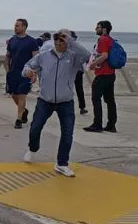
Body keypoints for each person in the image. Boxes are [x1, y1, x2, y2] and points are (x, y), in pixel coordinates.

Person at [22, 30, 92, 177]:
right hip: (45, 100)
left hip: (65, 102)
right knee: (35, 127)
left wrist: (71, 41)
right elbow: (27, 66)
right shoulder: (44, 56)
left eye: (62, 40)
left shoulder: (74, 57)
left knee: (67, 133)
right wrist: (28, 71)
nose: (59, 42)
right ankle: (32, 148)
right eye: (57, 40)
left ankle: (62, 163)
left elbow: (87, 56)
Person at [6, 19, 41, 129]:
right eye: (15, 25)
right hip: (13, 72)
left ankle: (18, 119)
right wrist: (8, 70)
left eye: (18, 26)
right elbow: (8, 55)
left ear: (24, 27)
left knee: (22, 95)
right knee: (14, 95)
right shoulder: (12, 40)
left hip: (26, 73)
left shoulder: (31, 41)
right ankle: (24, 111)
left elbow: (36, 58)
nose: (15, 27)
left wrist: (34, 73)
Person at [86, 20, 118, 133]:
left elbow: (105, 55)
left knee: (96, 98)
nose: (96, 29)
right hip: (110, 74)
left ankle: (97, 124)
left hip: (103, 74)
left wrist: (93, 64)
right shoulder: (110, 40)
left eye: (98, 27)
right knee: (110, 100)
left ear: (104, 29)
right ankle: (111, 125)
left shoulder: (103, 39)